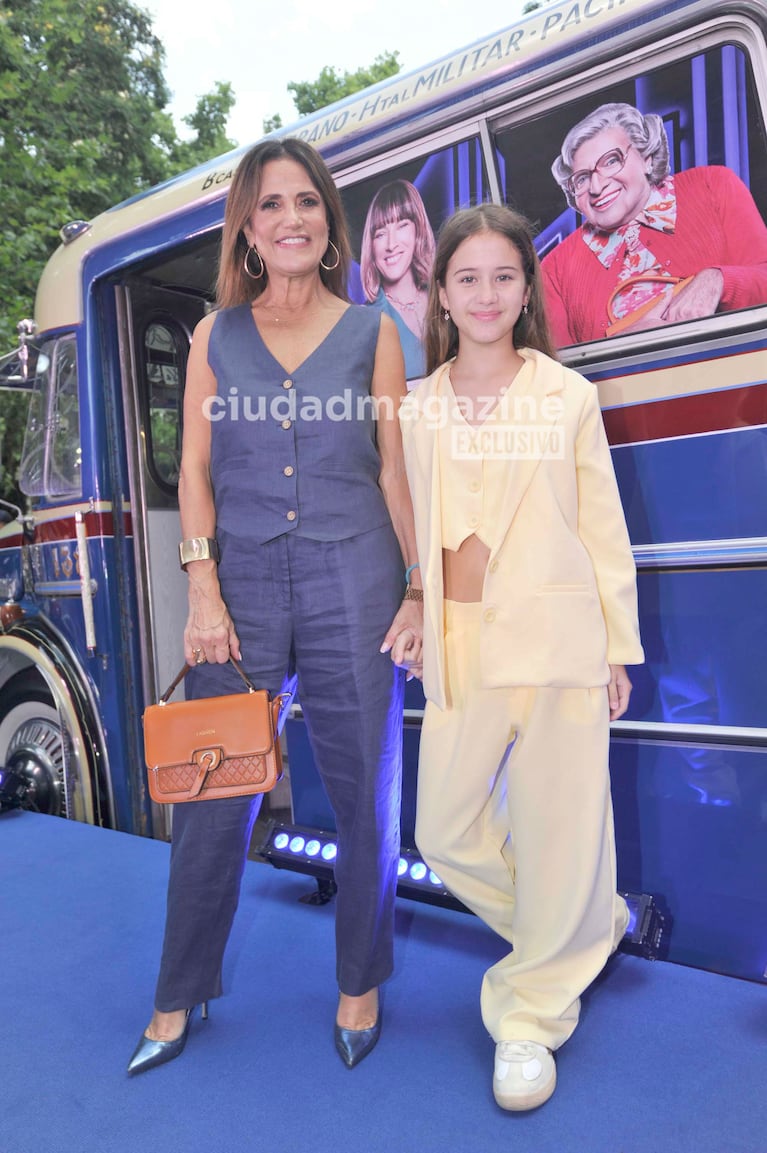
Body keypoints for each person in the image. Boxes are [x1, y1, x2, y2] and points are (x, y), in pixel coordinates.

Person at [127, 138, 423, 1076]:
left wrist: (417, 584)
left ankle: (359, 981)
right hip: (242, 589)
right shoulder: (216, 336)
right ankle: (178, 993)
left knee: (365, 795)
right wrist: (201, 589)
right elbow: (196, 471)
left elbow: (394, 468)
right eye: (269, 206)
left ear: (328, 221)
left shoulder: (376, 333)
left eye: (305, 202)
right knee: (214, 794)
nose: (290, 218)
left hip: (357, 578)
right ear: (247, 231)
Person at [398, 204, 644, 1111]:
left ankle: (528, 1015)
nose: (487, 292)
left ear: (524, 290)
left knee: (561, 826)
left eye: (504, 276)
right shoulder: (416, 406)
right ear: (443, 295)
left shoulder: (566, 396)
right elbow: (412, 532)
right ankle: (581, 929)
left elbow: (602, 529)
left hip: (558, 640)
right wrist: (416, 600)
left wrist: (617, 644)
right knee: (442, 830)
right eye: (468, 278)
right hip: (461, 648)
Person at [541, 102, 767, 345]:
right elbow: (558, 372)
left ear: (646, 157)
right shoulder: (555, 269)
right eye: (582, 178)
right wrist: (623, 345)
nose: (597, 187)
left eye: (611, 161)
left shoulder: (712, 186)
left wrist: (718, 281)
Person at [360, 179, 436, 379]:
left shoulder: (447, 298)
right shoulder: (365, 323)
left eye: (402, 225)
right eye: (380, 233)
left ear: (417, 230)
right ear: (371, 246)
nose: (391, 244)